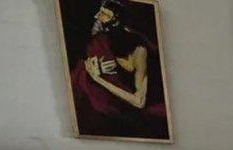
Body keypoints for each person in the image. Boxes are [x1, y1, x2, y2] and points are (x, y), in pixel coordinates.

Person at [69, 0, 168, 139]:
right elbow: (86, 64)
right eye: (99, 11)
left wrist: (98, 79)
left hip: (141, 109)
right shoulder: (101, 41)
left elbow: (139, 102)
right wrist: (90, 68)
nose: (96, 16)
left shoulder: (139, 50)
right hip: (116, 104)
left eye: (104, 14)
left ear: (115, 22)